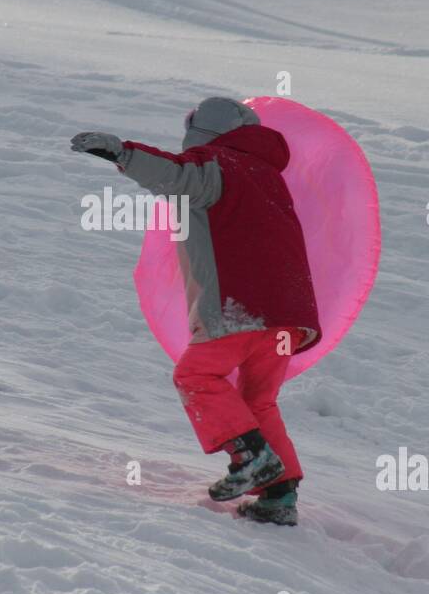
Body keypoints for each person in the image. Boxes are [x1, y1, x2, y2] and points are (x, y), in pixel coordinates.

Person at [71, 97, 320, 525]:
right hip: (288, 317)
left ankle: (251, 459)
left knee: (196, 376)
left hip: (240, 306)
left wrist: (122, 154)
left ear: (203, 132)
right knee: (258, 401)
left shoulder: (217, 165)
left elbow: (176, 174)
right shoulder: (269, 175)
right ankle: (279, 496)